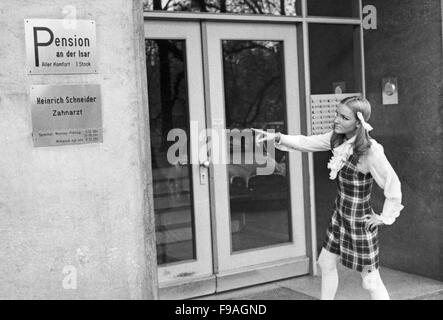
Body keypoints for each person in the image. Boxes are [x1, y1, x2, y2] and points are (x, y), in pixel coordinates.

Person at [252, 96, 404, 300]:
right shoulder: (337, 139)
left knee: (370, 280)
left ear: (358, 122)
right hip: (340, 216)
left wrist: (384, 217)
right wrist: (278, 137)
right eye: (337, 114)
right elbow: (307, 142)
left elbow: (392, 183)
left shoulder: (370, 150)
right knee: (325, 262)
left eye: (344, 117)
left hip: (359, 221)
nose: (337, 120)